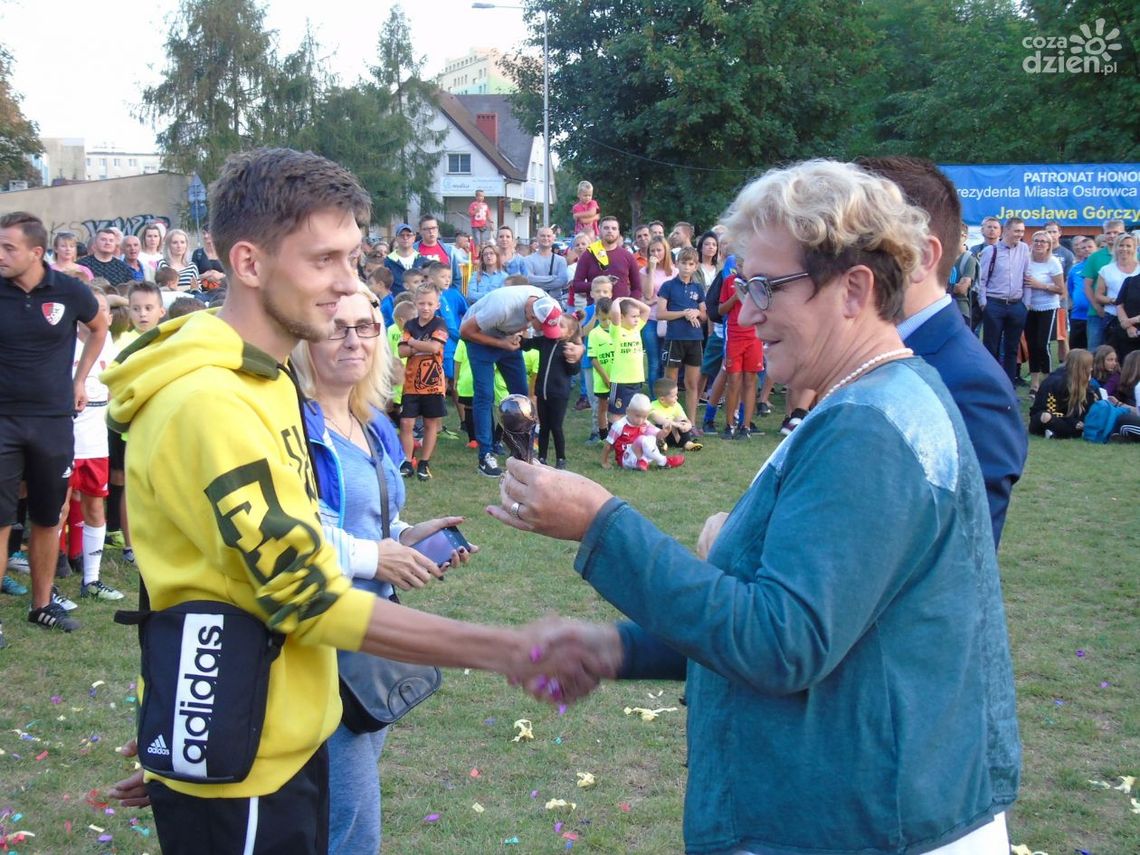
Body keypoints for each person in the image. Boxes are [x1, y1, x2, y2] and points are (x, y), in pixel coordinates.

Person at [489, 159, 1019, 855]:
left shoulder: (870, 426)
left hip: (866, 824)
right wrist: (617, 646)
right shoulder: (876, 400)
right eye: (744, 284)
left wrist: (602, 523)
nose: (746, 309)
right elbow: (810, 617)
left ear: (855, 288)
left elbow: (781, 639)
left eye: (768, 286)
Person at [101, 148, 607, 854]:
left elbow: (216, 572)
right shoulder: (209, 403)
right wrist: (506, 648)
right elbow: (310, 597)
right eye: (325, 261)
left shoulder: (268, 380)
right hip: (244, 770)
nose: (347, 288)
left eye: (353, 258)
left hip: (280, 732)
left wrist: (179, 708)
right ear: (248, 263)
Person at [293, 285, 474, 853]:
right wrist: (378, 556)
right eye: (336, 326)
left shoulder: (369, 422)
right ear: (303, 338)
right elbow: (290, 537)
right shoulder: (294, 428)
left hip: (371, 634)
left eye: (365, 327)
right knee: (348, 820)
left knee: (349, 797)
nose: (354, 340)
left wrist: (406, 538)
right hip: (316, 639)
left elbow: (373, 521)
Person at [857, 155, 1027, 550]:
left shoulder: (970, 385)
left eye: (858, 242)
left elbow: (959, 560)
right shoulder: (870, 349)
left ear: (918, 256)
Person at [0, 212, 110, 645]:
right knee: (1, 518)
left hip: (53, 421)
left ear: (36, 252)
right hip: (2, 420)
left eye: (9, 247)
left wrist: (79, 379)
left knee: (49, 515)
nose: (1, 254)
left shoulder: (69, 290)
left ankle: (42, 605)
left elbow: (98, 328)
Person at [459, 282, 564, 477]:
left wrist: (516, 338)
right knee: (485, 395)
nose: (541, 333)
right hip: (478, 338)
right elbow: (465, 332)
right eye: (539, 328)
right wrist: (501, 344)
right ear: (531, 316)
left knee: (521, 396)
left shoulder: (548, 303)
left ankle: (522, 449)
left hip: (505, 337)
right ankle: (486, 456)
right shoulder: (502, 307)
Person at [397, 284, 449, 481]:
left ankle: (424, 462)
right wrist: (421, 346)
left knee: (430, 424)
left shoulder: (440, 324)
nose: (425, 307)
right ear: (415, 303)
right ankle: (408, 461)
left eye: (430, 303)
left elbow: (435, 347)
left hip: (433, 383)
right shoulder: (409, 325)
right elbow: (401, 352)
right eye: (421, 303)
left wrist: (411, 343)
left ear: (437, 305)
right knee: (406, 422)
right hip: (410, 382)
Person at [657, 247, 706, 432]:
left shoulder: (698, 288)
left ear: (696, 266)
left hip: (694, 340)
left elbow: (704, 315)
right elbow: (661, 313)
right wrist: (683, 313)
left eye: (691, 264)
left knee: (692, 383)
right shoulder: (668, 286)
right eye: (683, 263)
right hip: (674, 339)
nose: (686, 267)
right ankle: (668, 422)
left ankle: (691, 424)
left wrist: (697, 312)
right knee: (670, 382)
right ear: (677, 264)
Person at [524, 314, 584, 468]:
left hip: (558, 395)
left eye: (562, 326)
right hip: (542, 393)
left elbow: (574, 371)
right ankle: (542, 457)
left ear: (570, 333)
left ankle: (561, 459)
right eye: (556, 324)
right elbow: (528, 344)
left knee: (556, 427)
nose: (557, 328)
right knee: (543, 426)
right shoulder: (546, 341)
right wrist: (518, 340)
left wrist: (572, 360)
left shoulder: (568, 348)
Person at [977, 217, 1030, 383]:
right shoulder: (990, 251)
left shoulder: (1024, 249)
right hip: (994, 304)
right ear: (1006, 231)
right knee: (991, 347)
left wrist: (1025, 304)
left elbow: (1026, 276)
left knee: (1012, 349)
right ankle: (990, 383)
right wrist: (983, 303)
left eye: (1022, 231)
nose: (1020, 234)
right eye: (1016, 231)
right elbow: (982, 280)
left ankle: (1008, 384)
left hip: (1016, 306)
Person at [1023, 231, 1065, 395]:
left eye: (1043, 241)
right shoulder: (1026, 259)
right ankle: (1034, 383)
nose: (1039, 244)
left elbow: (1060, 289)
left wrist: (1040, 285)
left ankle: (1048, 380)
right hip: (1029, 307)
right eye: (1036, 241)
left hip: (1047, 307)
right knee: (1032, 345)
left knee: (1042, 344)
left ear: (1049, 245)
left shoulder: (1053, 263)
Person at [600, 393, 683, 471]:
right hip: (626, 458)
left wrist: (665, 431)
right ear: (627, 411)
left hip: (645, 454)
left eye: (644, 417)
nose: (641, 420)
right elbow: (608, 445)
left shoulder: (645, 423)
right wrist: (604, 462)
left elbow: (658, 435)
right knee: (642, 439)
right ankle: (663, 461)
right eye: (637, 416)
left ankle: (644, 462)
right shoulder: (619, 425)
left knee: (650, 434)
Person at [1029, 349, 1098, 438]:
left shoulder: (1084, 384)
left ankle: (1054, 433)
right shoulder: (1054, 383)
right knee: (1047, 417)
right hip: (1047, 418)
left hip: (1067, 419)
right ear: (1081, 367)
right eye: (1089, 366)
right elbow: (1051, 411)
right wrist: (1072, 422)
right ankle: (1056, 431)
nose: (1091, 369)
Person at [570, 216, 640, 302]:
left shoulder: (628, 256)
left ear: (618, 232)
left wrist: (629, 304)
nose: (610, 231)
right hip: (596, 310)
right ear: (599, 231)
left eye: (614, 228)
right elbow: (577, 285)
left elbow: (637, 289)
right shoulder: (588, 254)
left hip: (621, 311)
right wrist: (600, 284)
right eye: (606, 228)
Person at [606, 295, 653, 421]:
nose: (637, 319)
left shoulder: (636, 329)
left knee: (632, 411)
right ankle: (614, 438)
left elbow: (647, 309)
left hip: (636, 379)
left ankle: (628, 438)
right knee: (616, 413)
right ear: (622, 317)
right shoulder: (616, 330)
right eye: (633, 316)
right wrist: (617, 300)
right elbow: (615, 312)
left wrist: (631, 299)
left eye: (638, 316)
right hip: (621, 380)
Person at [1095, 234, 1138, 352]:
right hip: (1113, 317)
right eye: (1121, 245)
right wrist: (1114, 300)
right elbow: (1098, 295)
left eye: (1128, 246)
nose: (1124, 249)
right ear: (1115, 247)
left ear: (1134, 248)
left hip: (1136, 318)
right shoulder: (1106, 270)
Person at [648, 376, 700, 451]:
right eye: (673, 396)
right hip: (659, 436)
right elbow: (661, 420)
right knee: (663, 424)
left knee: (681, 420)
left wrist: (688, 425)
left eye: (676, 394)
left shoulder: (676, 405)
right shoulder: (652, 406)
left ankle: (687, 443)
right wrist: (677, 424)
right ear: (662, 399)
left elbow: (685, 419)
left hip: (673, 436)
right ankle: (661, 444)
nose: (676, 398)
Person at [523, 225, 569, 304]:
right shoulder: (527, 260)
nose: (546, 238)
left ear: (553, 239)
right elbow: (529, 280)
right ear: (537, 238)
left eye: (548, 236)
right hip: (535, 302)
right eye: (542, 236)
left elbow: (562, 281)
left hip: (555, 302)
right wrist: (552, 278)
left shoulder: (561, 260)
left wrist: (537, 284)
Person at [1113, 268, 1140, 360]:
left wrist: (1129, 322)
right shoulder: (1129, 281)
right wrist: (1128, 326)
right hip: (1128, 335)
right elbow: (1119, 305)